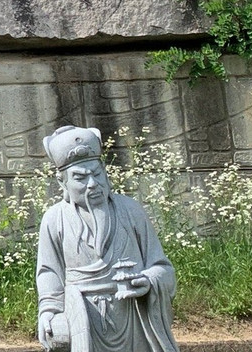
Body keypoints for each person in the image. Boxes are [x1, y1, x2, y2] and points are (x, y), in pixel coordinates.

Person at [36, 126, 178, 352]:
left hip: (133, 318)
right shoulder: (54, 219)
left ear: (104, 171)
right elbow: (49, 273)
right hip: (84, 323)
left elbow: (162, 267)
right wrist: (50, 312)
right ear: (62, 182)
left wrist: (149, 281)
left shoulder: (131, 211)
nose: (92, 184)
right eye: (80, 178)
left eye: (97, 174)